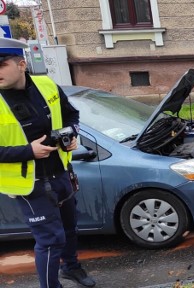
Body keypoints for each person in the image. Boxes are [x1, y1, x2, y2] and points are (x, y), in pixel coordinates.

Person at [0, 38, 96, 288]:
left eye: (1, 64)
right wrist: (27, 151)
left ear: (21, 64)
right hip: (30, 185)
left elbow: (70, 115)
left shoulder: (45, 84)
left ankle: (71, 268)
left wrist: (71, 135)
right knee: (51, 241)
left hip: (61, 173)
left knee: (69, 229)